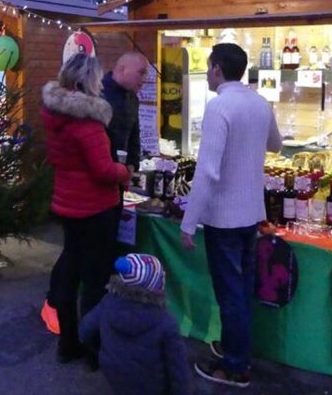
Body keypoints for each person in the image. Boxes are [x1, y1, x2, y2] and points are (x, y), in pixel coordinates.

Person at [179, 42, 282, 388]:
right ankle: (235, 346)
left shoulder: (219, 106)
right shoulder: (259, 102)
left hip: (223, 218)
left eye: (209, 67)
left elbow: (207, 172)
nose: (207, 73)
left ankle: (236, 366)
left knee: (231, 293)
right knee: (241, 289)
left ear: (218, 69)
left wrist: (188, 223)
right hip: (252, 213)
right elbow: (276, 145)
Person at [40, 53, 131, 363]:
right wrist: (124, 172)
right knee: (94, 280)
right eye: (97, 79)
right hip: (94, 209)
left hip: (67, 204)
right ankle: (93, 348)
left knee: (69, 273)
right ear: (83, 81)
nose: (101, 85)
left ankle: (68, 343)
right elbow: (104, 171)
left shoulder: (56, 115)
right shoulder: (87, 122)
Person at [79, 253, 192, 395]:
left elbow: (85, 331)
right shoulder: (166, 322)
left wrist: (104, 351)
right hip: (152, 385)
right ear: (157, 287)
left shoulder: (107, 302)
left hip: (113, 373)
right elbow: (178, 371)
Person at [102, 51, 149, 174]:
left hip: (121, 173)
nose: (144, 79)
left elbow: (134, 135)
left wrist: (132, 165)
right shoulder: (98, 94)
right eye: (141, 73)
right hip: (99, 173)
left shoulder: (132, 98)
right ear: (123, 69)